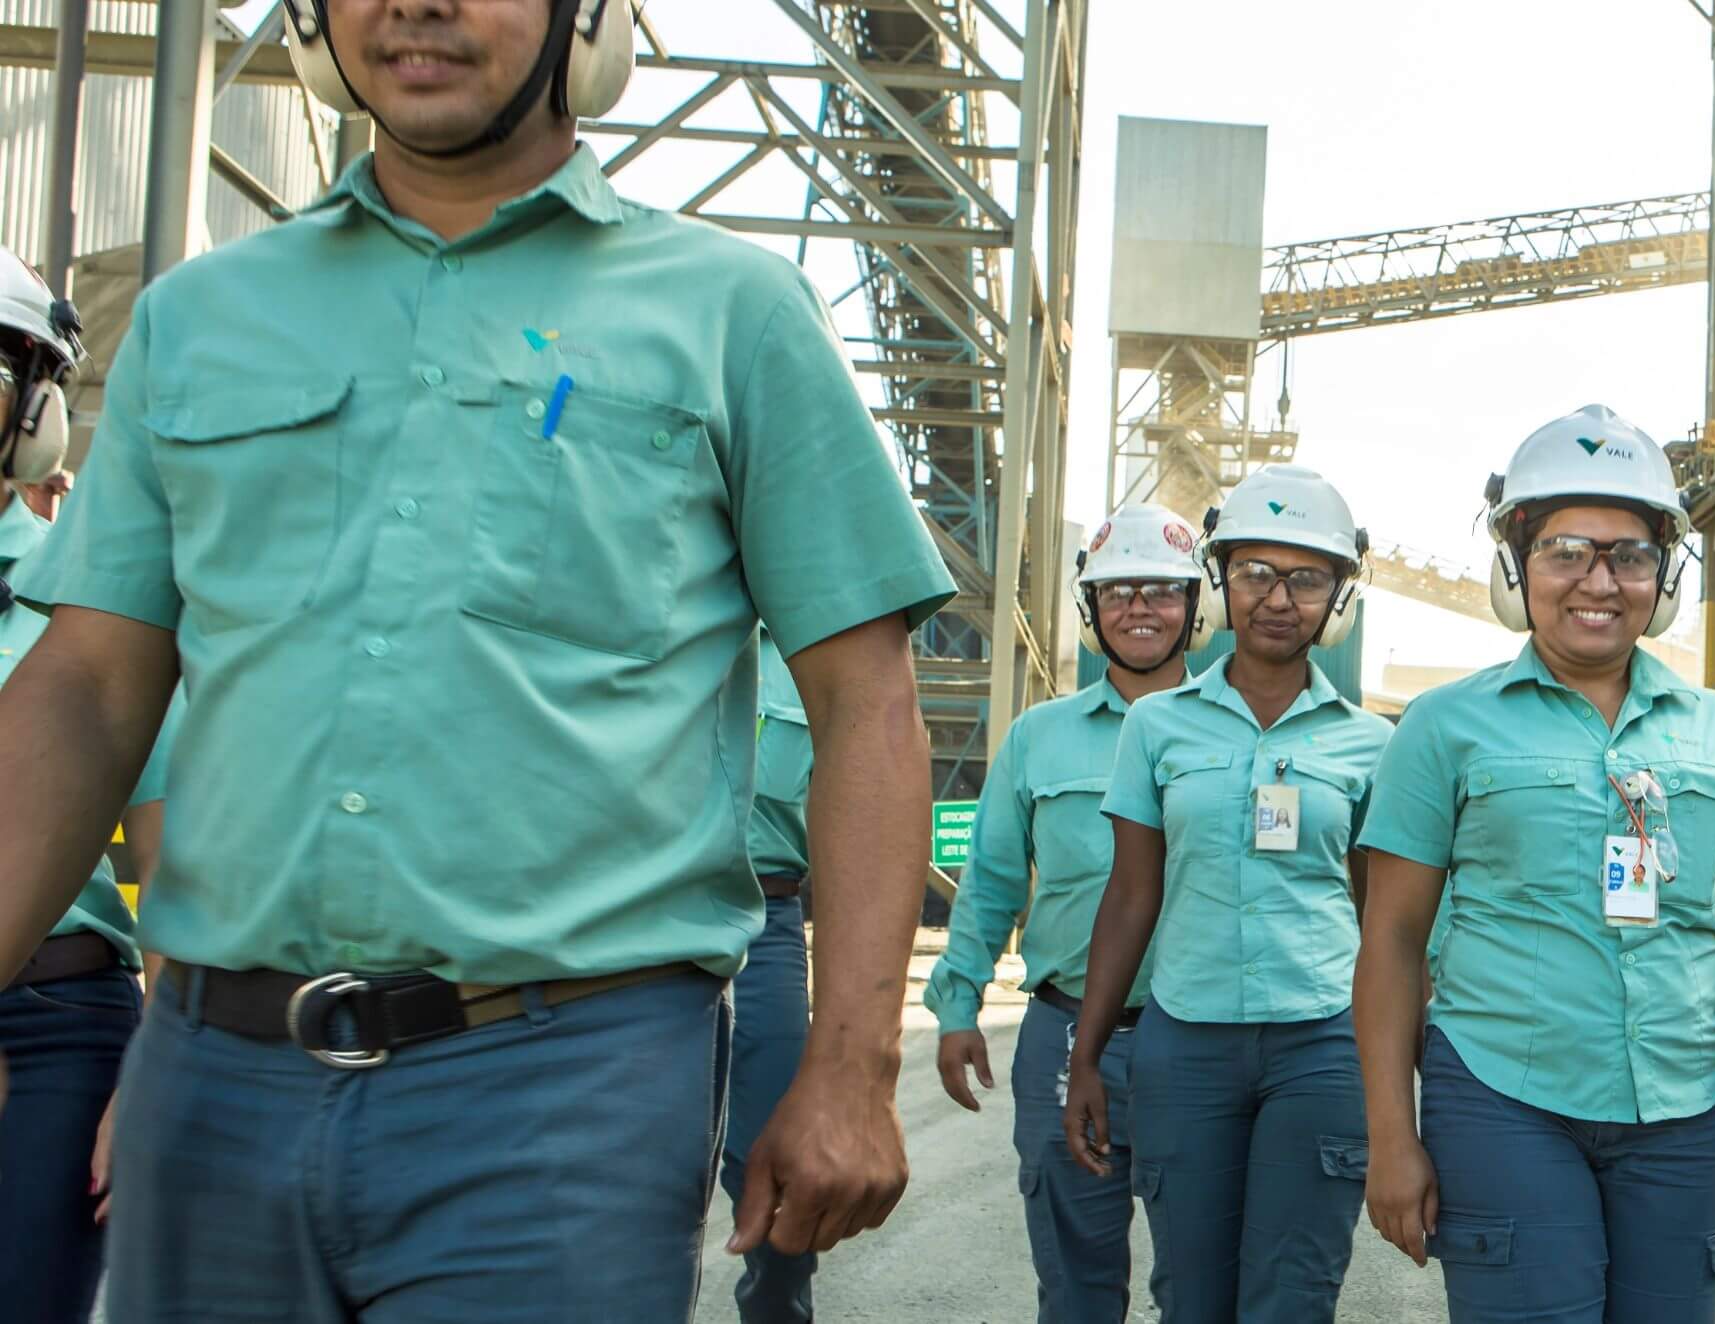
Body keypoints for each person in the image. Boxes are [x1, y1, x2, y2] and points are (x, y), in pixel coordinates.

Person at [0, 1, 957, 1317]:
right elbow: (88, 691)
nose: (420, 4)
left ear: (591, 19)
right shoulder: (201, 319)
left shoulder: (733, 316)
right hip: (210, 1085)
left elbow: (867, 707)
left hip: (560, 1093)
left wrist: (851, 1070)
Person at [1353, 405, 1715, 1324]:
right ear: (1515, 564)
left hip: (1681, 1111)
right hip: (1502, 1098)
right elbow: (1393, 939)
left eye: (1630, 555)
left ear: (1666, 575)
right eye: (1566, 549)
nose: (1599, 581)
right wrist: (1392, 1134)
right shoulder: (1445, 726)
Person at [1062, 465, 1391, 1323]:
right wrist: (1087, 1056)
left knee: (1293, 1294)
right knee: (1190, 1295)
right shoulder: (1157, 726)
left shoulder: (1371, 745)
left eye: (1306, 577)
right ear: (1222, 581)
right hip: (1185, 1047)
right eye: (1255, 572)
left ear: (1337, 597)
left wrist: (1399, 1081)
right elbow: (1133, 898)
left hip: (1322, 1047)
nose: (1278, 598)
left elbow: (1385, 922)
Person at [927, 503, 1210, 1322]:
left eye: (1162, 590)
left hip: (1195, 1037)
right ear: (1091, 611)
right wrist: (957, 1005)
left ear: (1195, 607)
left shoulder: (1230, 736)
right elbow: (989, 881)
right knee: (1077, 1283)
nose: (1140, 608)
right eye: (1117, 591)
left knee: (1195, 1280)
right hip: (1060, 1029)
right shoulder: (1038, 739)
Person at [0, 246, 175, 1324]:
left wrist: (164, 1069)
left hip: (55, 1025)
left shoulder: (89, 616)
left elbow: (170, 847)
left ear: (35, 412)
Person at [721, 632, 822, 1324]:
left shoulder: (819, 657)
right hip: (634, 918)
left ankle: (777, 1307)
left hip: (768, 918)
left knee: (777, 1157)